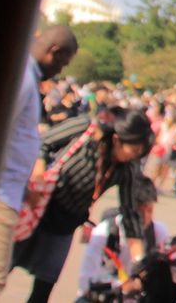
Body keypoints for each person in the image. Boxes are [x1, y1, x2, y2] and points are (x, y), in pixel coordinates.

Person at [0, 25, 77, 303]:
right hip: (0, 195)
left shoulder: (24, 75)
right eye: (63, 63)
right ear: (54, 52)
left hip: (7, 190)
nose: (61, 72)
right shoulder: (25, 80)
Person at [11, 107, 153, 303]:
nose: (134, 156)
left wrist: (139, 261)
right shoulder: (86, 127)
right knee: (1, 268)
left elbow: (129, 212)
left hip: (64, 224)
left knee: (44, 287)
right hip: (37, 208)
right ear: (118, 138)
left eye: (140, 153)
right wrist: (38, 175)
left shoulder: (126, 169)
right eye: (134, 149)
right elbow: (43, 142)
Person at [75, 174, 169, 298]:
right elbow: (86, 281)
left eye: (149, 210)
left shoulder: (159, 232)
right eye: (140, 212)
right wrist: (124, 286)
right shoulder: (105, 233)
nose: (145, 217)